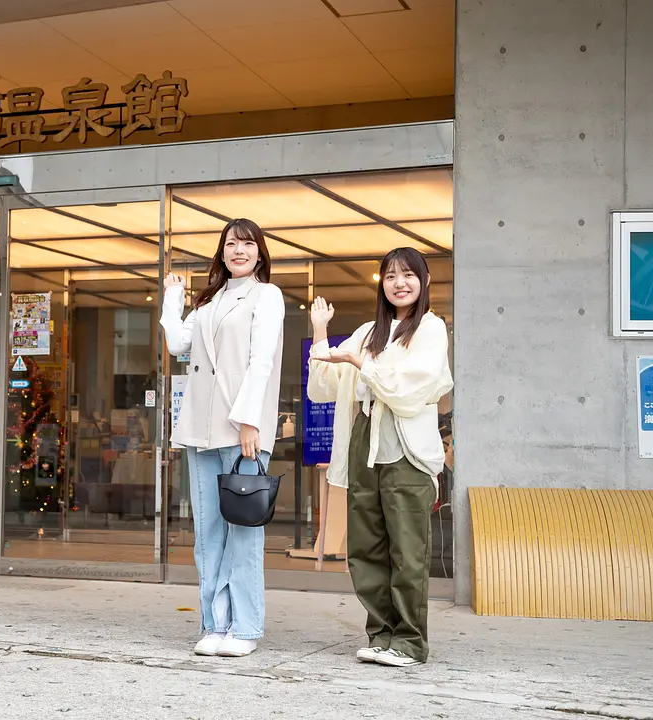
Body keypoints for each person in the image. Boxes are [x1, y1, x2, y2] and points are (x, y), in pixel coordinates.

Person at [306, 247, 453, 668]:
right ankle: (381, 634)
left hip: (406, 448)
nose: (399, 283)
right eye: (390, 276)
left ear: (424, 281)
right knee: (366, 546)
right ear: (381, 284)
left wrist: (360, 363)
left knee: (407, 549)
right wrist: (320, 331)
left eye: (408, 275)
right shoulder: (369, 331)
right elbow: (324, 386)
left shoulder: (430, 328)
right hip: (363, 441)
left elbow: (411, 389)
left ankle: (409, 641)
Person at [161, 218, 285, 658]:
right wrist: (172, 297)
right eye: (232, 243)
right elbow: (178, 343)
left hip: (241, 428)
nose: (239, 250)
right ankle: (214, 624)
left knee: (245, 531)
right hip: (200, 429)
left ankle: (246, 627)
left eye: (247, 244)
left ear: (259, 252)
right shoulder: (210, 301)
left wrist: (251, 419)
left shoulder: (267, 296)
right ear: (222, 251)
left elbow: (262, 360)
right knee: (209, 532)